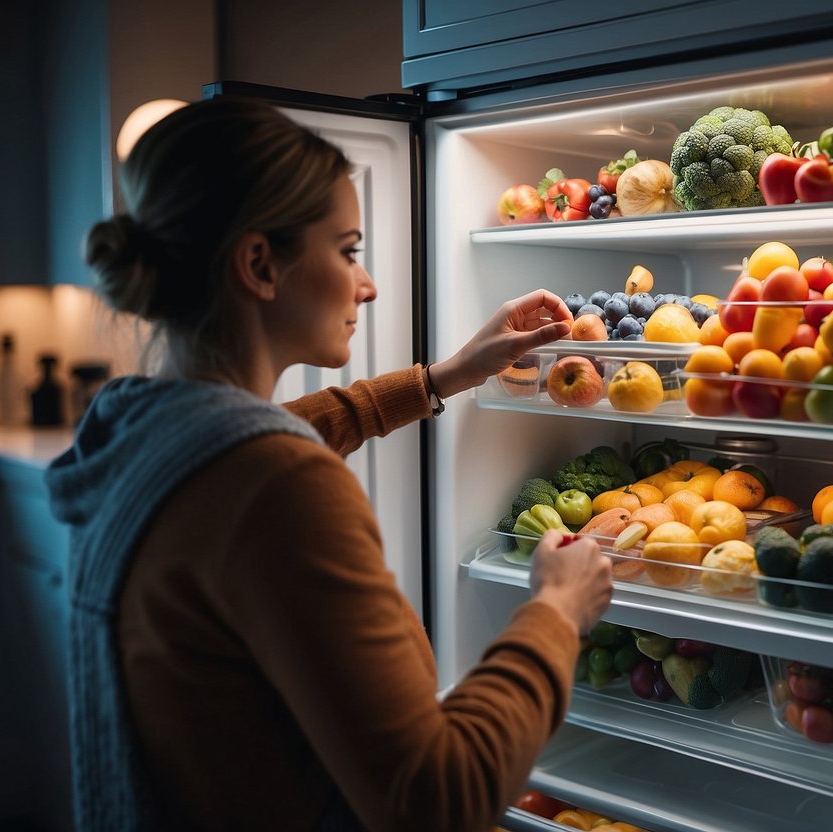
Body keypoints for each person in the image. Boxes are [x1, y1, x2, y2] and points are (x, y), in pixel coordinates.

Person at [44, 97, 613, 832]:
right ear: (258, 264)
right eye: (347, 251)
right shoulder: (275, 485)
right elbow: (435, 799)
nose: (367, 285)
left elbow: (257, 443)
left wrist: (443, 377)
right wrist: (554, 612)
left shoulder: (136, 431)